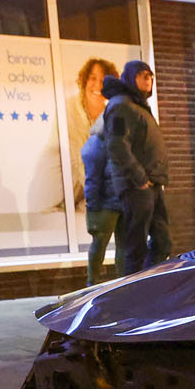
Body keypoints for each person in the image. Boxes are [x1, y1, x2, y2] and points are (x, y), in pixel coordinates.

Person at [104, 59, 171, 275]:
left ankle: (150, 281)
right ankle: (134, 286)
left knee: (163, 242)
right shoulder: (120, 106)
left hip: (152, 184)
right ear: (131, 78)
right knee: (136, 247)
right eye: (143, 75)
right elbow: (117, 145)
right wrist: (140, 178)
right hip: (137, 187)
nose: (149, 80)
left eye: (151, 76)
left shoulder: (138, 106)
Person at [66, 57, 120, 215]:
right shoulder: (70, 109)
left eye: (103, 80)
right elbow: (79, 159)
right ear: (84, 81)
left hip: (90, 191)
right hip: (62, 191)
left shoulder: (112, 112)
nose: (98, 85)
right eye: (93, 78)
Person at [80, 112, 121, 286]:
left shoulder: (111, 143)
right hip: (106, 205)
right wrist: (93, 206)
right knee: (100, 243)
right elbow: (92, 179)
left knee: (116, 246)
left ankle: (120, 281)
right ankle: (93, 281)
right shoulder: (97, 144)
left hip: (117, 203)